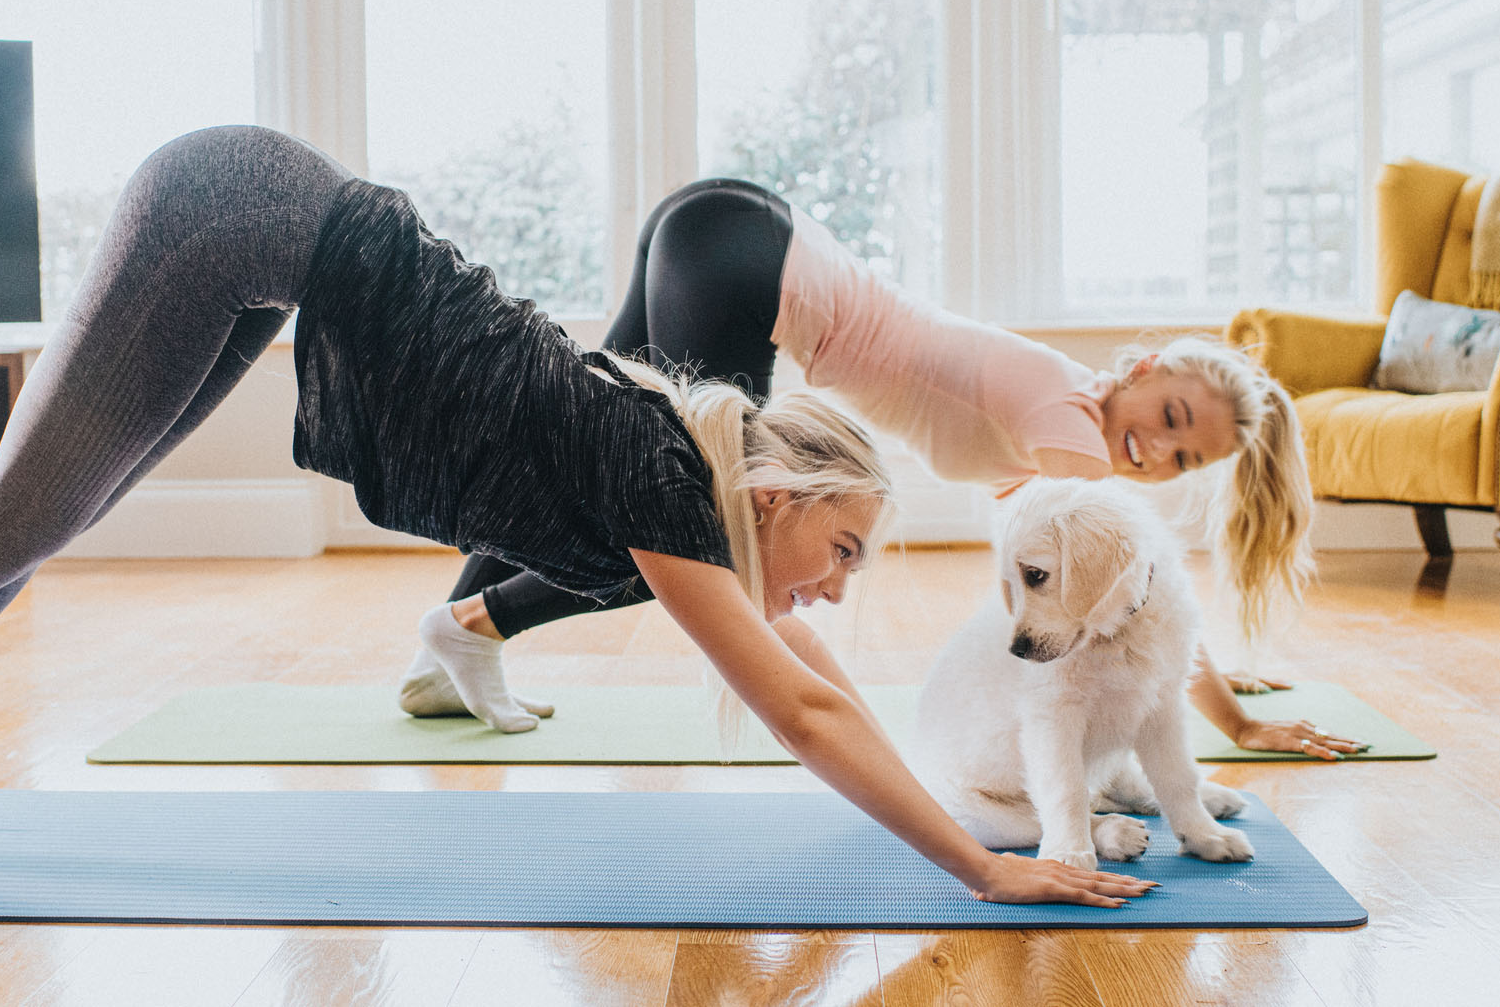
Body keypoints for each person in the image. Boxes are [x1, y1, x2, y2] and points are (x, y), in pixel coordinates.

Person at [0, 125, 1157, 908]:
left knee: (38, 525)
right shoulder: (665, 481)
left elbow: (819, 679)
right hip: (239, 208)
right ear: (773, 498)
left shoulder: (691, 495)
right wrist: (982, 870)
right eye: (842, 551)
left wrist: (938, 798)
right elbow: (803, 712)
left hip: (265, 227)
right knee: (18, 528)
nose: (838, 587)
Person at [406, 178, 1367, 761]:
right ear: (1144, 369)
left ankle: (445, 657)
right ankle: (470, 626)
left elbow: (1105, 592)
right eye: (1168, 419)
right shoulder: (1067, 423)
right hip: (744, 260)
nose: (1154, 451)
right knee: (695, 526)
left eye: (1182, 457)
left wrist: (1210, 682)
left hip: (720, 228)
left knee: (582, 455)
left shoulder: (1055, 418)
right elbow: (1140, 592)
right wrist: (1232, 722)